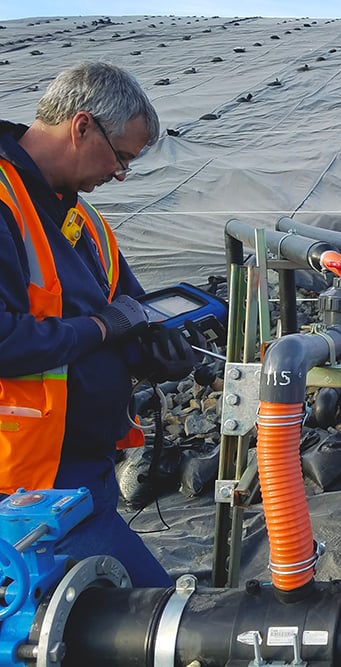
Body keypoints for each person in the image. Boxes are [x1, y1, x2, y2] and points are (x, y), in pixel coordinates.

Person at [0, 62, 197, 587]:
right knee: (147, 611)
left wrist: (153, 351)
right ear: (82, 126)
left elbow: (129, 309)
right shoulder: (3, 202)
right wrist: (104, 330)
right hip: (23, 486)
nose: (121, 175)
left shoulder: (83, 222)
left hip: (84, 469)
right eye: (122, 157)